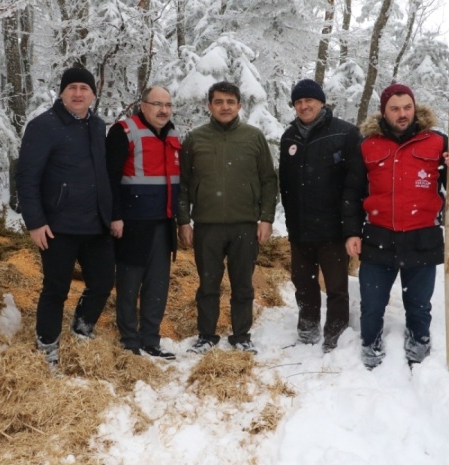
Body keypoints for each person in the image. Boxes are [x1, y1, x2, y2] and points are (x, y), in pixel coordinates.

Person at [341, 83, 449, 369]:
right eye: (395, 109)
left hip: (422, 237)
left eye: (407, 107)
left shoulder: (438, 142)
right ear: (384, 112)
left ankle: (418, 340)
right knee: (372, 303)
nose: (402, 114)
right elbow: (352, 193)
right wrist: (352, 231)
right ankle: (371, 341)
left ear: (414, 108)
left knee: (418, 304)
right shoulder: (368, 145)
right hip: (378, 236)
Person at [16, 67, 115, 367]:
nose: (77, 93)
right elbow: (26, 177)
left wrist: (111, 216)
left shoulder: (98, 126)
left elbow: (103, 175)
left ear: (93, 95)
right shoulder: (43, 126)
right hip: (57, 227)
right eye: (71, 87)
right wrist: (34, 222)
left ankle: (82, 328)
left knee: (102, 283)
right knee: (56, 289)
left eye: (84, 89)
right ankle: (48, 346)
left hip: (96, 225)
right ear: (61, 93)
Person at [177, 81, 278, 355]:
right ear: (209, 105)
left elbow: (269, 180)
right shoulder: (195, 138)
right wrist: (184, 220)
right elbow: (183, 184)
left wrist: (266, 218)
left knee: (242, 284)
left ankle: (241, 336)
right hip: (207, 227)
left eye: (230, 102)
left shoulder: (253, 137)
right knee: (208, 284)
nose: (225, 107)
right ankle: (206, 335)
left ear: (239, 105)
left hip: (244, 226)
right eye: (219, 102)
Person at [279, 79, 363, 353]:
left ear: (321, 102)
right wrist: (292, 223)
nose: (304, 106)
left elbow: (355, 182)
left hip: (333, 228)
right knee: (303, 283)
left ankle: (335, 335)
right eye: (298, 102)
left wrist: (350, 225)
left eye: (309, 101)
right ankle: (307, 329)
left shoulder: (345, 133)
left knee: (337, 286)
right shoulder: (289, 137)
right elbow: (286, 184)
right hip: (300, 227)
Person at [106, 86, 180, 360]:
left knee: (157, 285)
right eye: (157, 104)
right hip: (131, 224)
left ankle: (151, 339)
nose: (163, 110)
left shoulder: (172, 134)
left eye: (168, 105)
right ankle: (129, 341)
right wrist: (115, 216)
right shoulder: (123, 131)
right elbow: (109, 178)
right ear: (143, 105)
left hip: (163, 223)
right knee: (129, 284)